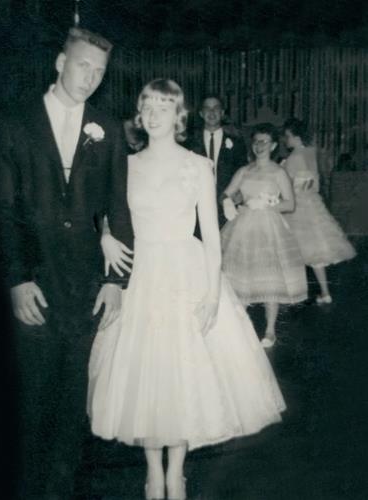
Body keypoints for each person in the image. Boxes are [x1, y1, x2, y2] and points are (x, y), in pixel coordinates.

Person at [88, 80, 286, 500]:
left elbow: (211, 236)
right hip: (140, 272)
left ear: (179, 116)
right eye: (148, 106)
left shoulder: (198, 165)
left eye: (164, 106)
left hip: (184, 270)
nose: (154, 114)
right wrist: (104, 234)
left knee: (181, 371)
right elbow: (107, 213)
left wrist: (212, 294)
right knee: (146, 372)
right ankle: (152, 473)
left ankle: (175, 473)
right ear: (139, 114)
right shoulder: (125, 163)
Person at [0, 27, 133, 499]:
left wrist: (114, 281)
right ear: (59, 62)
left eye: (99, 71)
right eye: (83, 65)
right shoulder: (14, 123)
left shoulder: (107, 129)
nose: (90, 77)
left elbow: (118, 208)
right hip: (34, 284)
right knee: (30, 402)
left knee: (73, 406)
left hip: (85, 288)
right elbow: (1, 210)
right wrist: (16, 279)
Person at [220, 123, 308, 348]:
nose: (259, 146)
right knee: (240, 276)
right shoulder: (244, 171)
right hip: (243, 226)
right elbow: (227, 194)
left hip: (268, 227)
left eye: (264, 142)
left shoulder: (278, 172)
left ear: (274, 145)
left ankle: (270, 330)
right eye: (256, 141)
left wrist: (268, 205)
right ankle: (240, 326)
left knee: (270, 278)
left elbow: (290, 204)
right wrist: (230, 202)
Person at [282, 118, 356, 304]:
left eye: (287, 136)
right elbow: (314, 184)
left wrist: (282, 170)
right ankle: (325, 292)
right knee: (315, 254)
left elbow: (287, 187)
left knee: (291, 250)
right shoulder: (310, 153)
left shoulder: (293, 157)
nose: (285, 140)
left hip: (297, 206)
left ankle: (293, 293)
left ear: (296, 136)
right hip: (313, 204)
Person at [189, 95, 248, 227]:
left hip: (227, 205)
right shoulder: (190, 142)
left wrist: (240, 193)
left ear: (222, 113)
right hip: (196, 204)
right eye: (207, 108)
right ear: (201, 113)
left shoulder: (236, 141)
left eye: (216, 108)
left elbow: (243, 170)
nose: (212, 112)